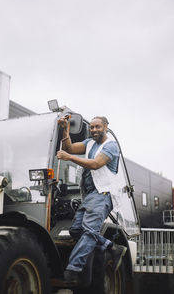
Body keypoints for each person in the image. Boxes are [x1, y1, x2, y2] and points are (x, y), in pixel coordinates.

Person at [57, 115, 127, 284]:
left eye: (98, 127)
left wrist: (69, 158)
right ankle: (112, 247)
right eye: (92, 127)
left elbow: (95, 164)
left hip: (103, 194)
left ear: (106, 127)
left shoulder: (111, 146)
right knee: (75, 230)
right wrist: (65, 129)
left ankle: (72, 270)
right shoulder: (89, 143)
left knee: (89, 231)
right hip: (89, 195)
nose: (94, 130)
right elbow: (71, 147)